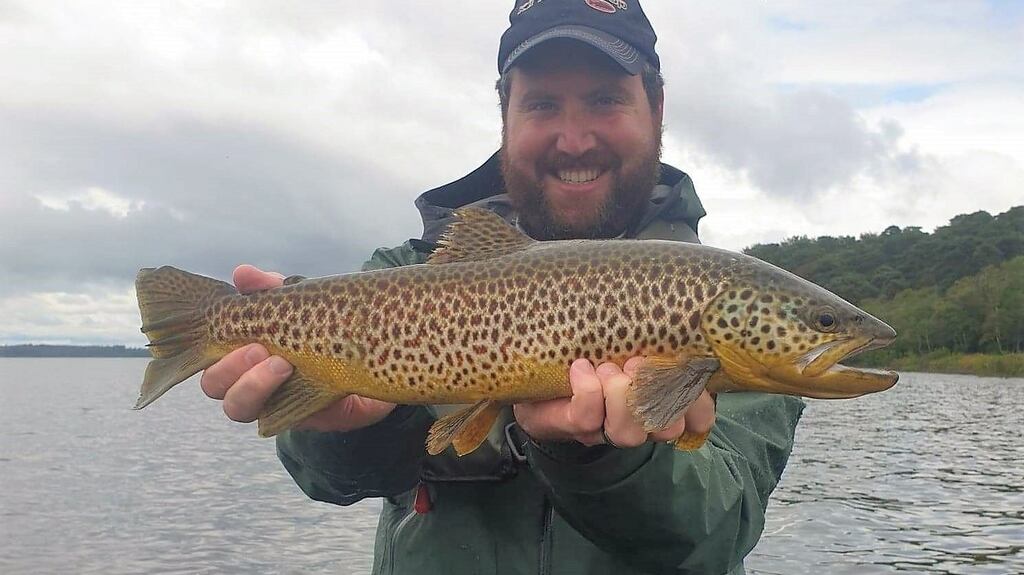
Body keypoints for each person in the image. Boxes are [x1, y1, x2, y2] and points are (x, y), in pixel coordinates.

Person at [199, 2, 805, 574]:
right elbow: (332, 484)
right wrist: (350, 428)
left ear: (658, 106)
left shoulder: (715, 291)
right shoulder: (405, 277)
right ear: (505, 112)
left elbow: (715, 531)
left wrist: (600, 456)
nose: (574, 139)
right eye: (542, 105)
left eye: (604, 100)